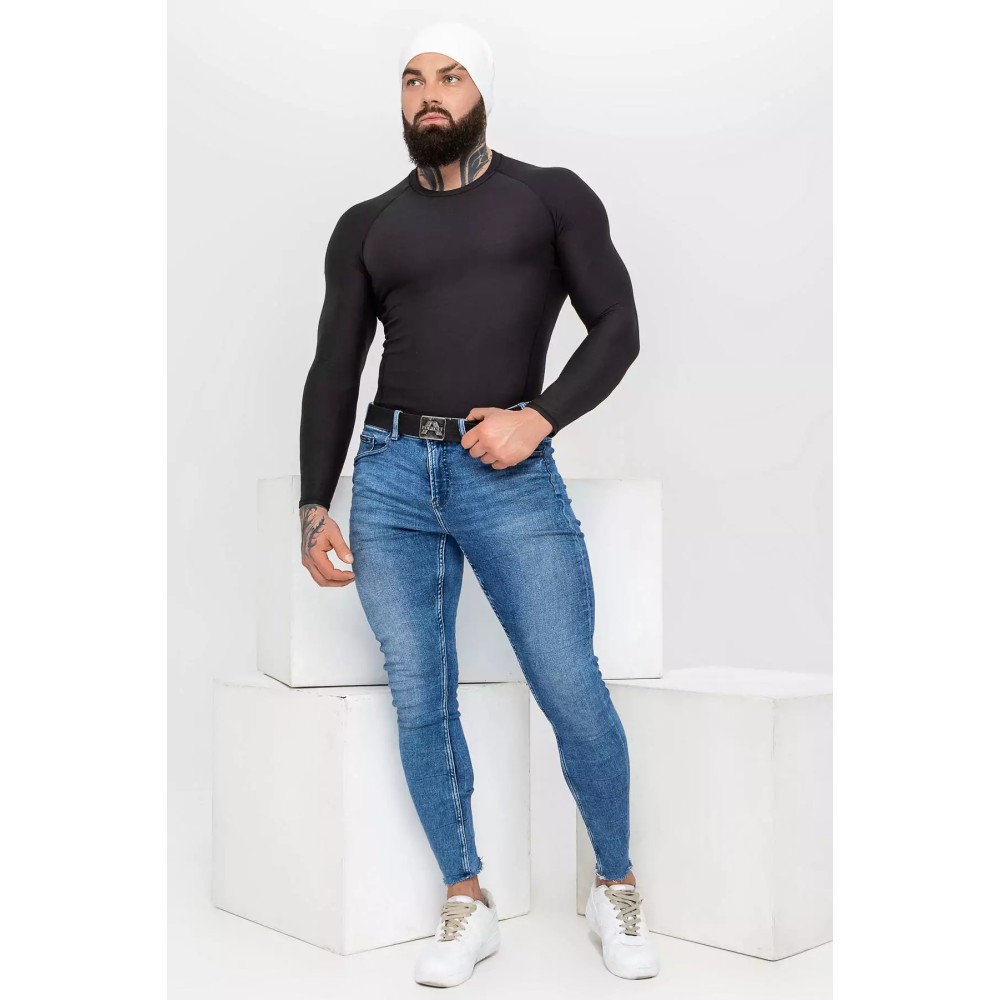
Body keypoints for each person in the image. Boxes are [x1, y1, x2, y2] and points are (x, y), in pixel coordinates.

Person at [297, 20, 660, 986]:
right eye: (413, 79)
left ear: (480, 91)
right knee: (422, 694)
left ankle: (616, 882)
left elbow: (618, 326)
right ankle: (467, 897)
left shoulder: (549, 196)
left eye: (450, 77)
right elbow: (334, 368)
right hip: (388, 477)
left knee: (568, 683)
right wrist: (313, 501)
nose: (429, 94)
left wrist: (538, 418)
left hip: (505, 471)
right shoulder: (367, 223)